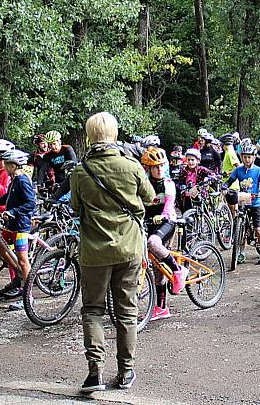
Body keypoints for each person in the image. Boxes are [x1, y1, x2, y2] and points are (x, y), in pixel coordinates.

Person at [70, 112, 155, 393]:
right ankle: (126, 372)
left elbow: (75, 207)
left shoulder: (81, 172)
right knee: (126, 312)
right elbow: (150, 197)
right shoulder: (130, 166)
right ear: (114, 135)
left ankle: (95, 374)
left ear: (89, 137)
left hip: (94, 251)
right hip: (129, 248)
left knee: (93, 310)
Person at [0, 149, 36, 311]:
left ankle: (28, 297)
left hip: (21, 225)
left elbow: (30, 203)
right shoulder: (14, 179)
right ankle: (20, 274)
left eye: (7, 164)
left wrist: (12, 212)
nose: (3, 167)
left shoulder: (22, 180)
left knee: (23, 259)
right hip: (11, 223)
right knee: (0, 248)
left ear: (14, 165)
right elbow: (6, 198)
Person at [140, 149, 188, 321]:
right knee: (155, 267)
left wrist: (164, 215)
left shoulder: (168, 183)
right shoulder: (144, 184)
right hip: (149, 222)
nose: (159, 169)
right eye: (155, 167)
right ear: (148, 168)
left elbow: (168, 205)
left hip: (166, 222)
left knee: (153, 242)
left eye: (161, 166)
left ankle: (178, 270)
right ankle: (161, 308)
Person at [225, 144, 260, 264]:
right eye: (244, 157)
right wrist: (224, 186)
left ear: (254, 158)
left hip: (255, 203)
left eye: (249, 157)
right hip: (243, 202)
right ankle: (241, 252)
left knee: (257, 228)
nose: (247, 160)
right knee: (242, 228)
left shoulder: (258, 170)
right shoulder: (238, 170)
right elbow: (230, 181)